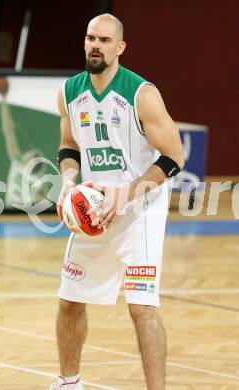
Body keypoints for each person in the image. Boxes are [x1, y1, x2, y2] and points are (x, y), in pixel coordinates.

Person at [50, 13, 184, 390]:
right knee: (69, 301)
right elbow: (68, 145)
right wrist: (68, 180)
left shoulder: (141, 94)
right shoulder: (69, 92)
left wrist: (127, 193)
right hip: (92, 210)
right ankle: (68, 382)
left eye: (105, 40)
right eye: (91, 38)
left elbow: (174, 156)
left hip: (139, 210)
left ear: (120, 47)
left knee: (142, 307)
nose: (96, 45)